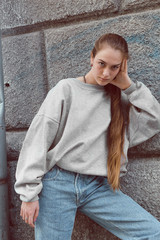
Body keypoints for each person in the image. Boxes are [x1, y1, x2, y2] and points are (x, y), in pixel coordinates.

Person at [15, 33, 160, 240]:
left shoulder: (120, 100)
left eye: (114, 67)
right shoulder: (67, 89)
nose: (106, 73)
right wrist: (28, 194)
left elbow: (154, 119)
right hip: (57, 184)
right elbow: (38, 140)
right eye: (101, 63)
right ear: (91, 57)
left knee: (154, 233)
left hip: (98, 187)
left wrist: (128, 85)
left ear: (122, 67)